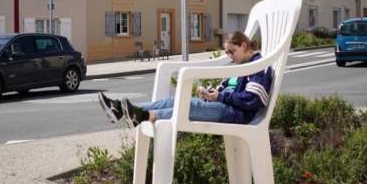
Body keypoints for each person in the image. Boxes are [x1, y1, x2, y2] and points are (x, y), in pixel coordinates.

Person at [98, 31, 272, 129]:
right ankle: (119, 108)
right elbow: (225, 87)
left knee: (189, 106)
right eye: (227, 53)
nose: (229, 56)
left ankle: (144, 116)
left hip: (235, 113)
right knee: (172, 101)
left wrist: (219, 97)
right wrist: (209, 92)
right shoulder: (241, 65)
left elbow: (252, 100)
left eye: (231, 51)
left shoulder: (259, 66)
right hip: (223, 103)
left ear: (243, 45)